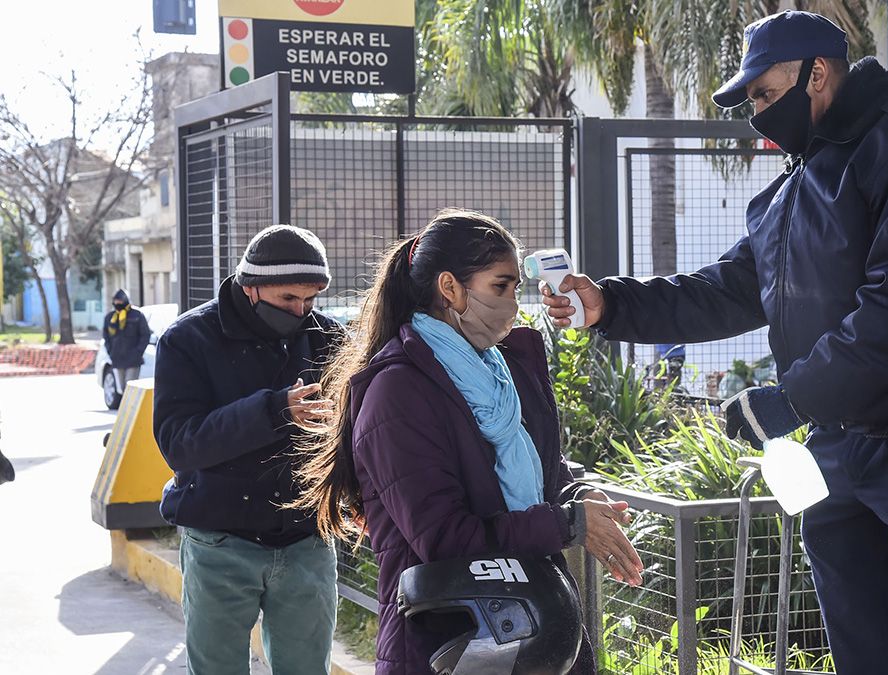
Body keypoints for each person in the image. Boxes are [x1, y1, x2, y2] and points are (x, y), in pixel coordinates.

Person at [543, 11, 888, 675]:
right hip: (836, 452)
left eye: (765, 94)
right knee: (868, 655)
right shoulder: (797, 186)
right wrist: (613, 305)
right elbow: (725, 290)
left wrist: (789, 399)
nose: (759, 114)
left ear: (818, 73)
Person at [290, 209, 642, 675]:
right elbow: (443, 537)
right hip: (449, 643)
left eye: (516, 289)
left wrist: (578, 503)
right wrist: (565, 523)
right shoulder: (397, 391)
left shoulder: (510, 368)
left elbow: (546, 477)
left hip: (535, 629)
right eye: (500, 287)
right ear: (450, 288)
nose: (514, 305)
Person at [153, 224, 344, 674]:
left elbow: (353, 431)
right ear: (252, 287)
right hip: (219, 540)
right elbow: (180, 444)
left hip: (307, 541)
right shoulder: (187, 340)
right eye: (288, 300)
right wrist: (275, 411)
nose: (302, 311)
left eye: (311, 299)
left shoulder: (327, 337)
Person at [103, 288, 151, 396]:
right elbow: (106, 337)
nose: (117, 304)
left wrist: (138, 352)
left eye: (119, 301)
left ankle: (130, 411)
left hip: (133, 359)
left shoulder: (137, 315)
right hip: (117, 359)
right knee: (122, 389)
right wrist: (111, 352)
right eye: (115, 301)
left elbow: (145, 335)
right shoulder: (110, 317)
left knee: (131, 388)